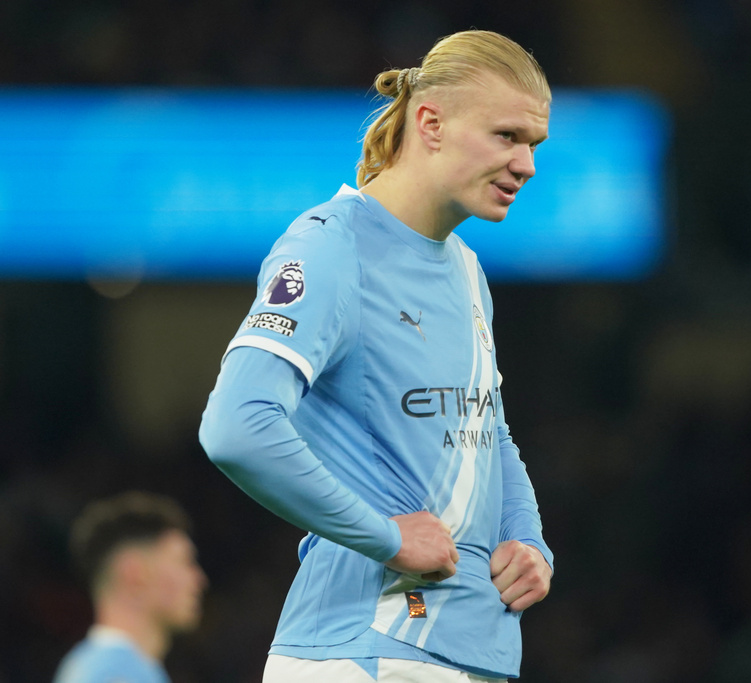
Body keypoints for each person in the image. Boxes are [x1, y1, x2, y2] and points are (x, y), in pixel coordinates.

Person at [199, 29, 553, 683]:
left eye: (534, 144)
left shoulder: (467, 268)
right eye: (507, 136)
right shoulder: (331, 248)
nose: (527, 163)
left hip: (464, 652)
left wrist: (527, 540)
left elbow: (487, 428)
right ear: (430, 122)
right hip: (365, 652)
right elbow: (236, 424)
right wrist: (387, 537)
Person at [53, 491, 207, 683]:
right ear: (135, 574)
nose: (199, 580)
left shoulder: (123, 671)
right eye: (184, 562)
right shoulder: (111, 675)